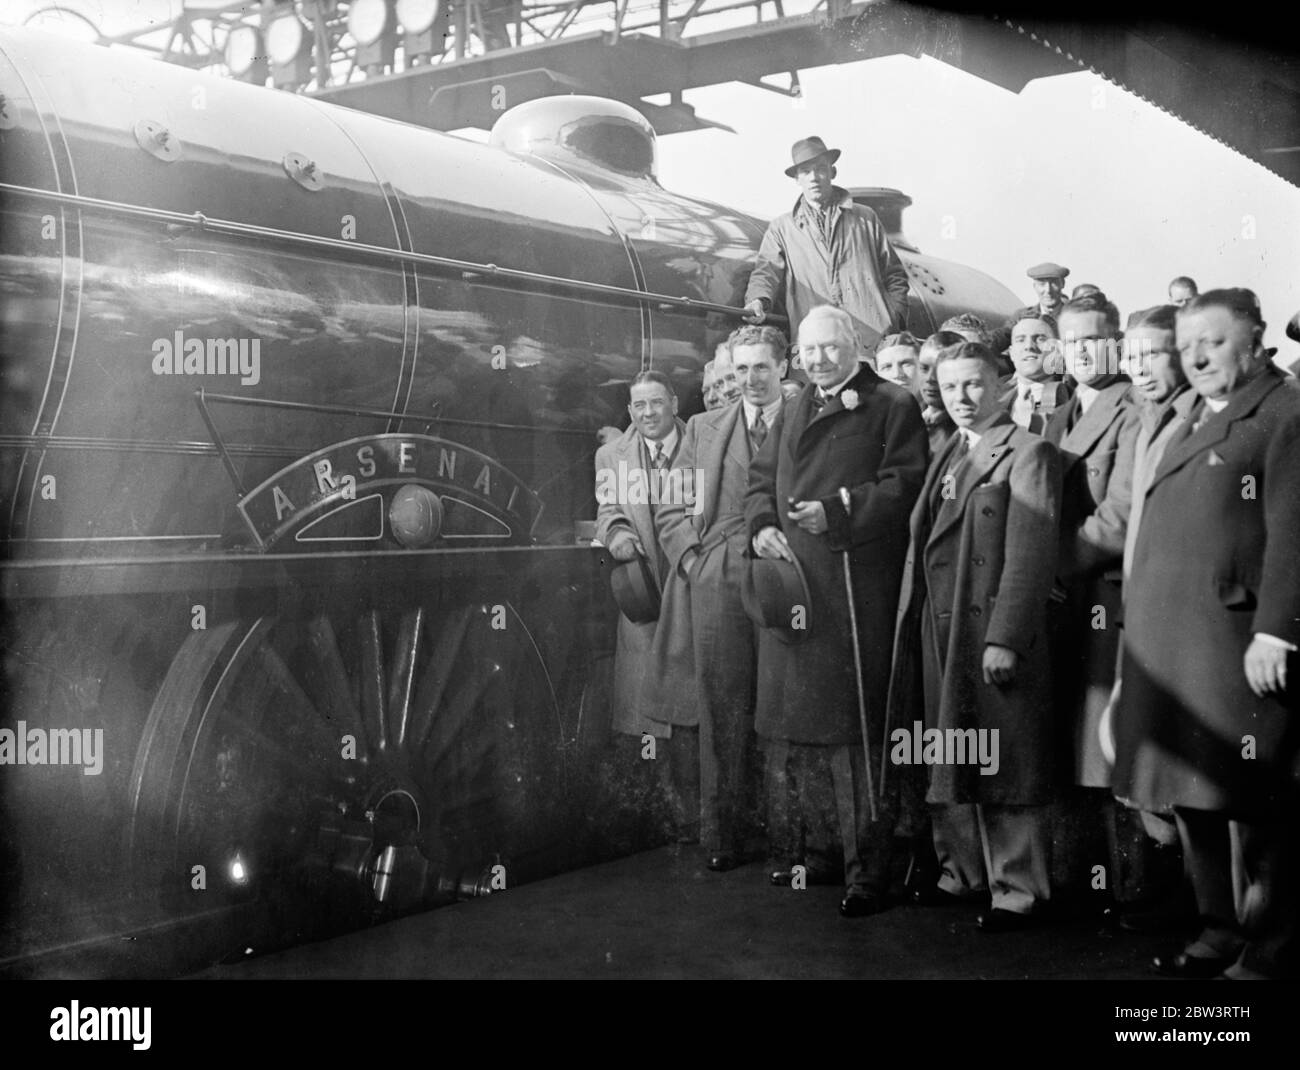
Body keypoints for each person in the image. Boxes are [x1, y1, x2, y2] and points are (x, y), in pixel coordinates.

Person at [1113, 289, 1300, 980]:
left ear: (1253, 342)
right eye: (1187, 345)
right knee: (1192, 794)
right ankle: (1219, 928)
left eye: (1213, 342)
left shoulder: (1284, 414)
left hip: (1237, 644)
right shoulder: (1190, 417)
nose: (1195, 357)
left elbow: (1294, 535)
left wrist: (1278, 632)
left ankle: (1271, 949)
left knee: (1256, 805)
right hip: (1174, 646)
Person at [745, 305, 928, 916]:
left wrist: (839, 512)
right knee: (805, 734)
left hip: (854, 592)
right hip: (796, 587)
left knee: (855, 738)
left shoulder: (891, 403)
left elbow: (905, 486)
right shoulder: (795, 404)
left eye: (830, 347)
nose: (819, 359)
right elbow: (759, 478)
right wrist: (761, 526)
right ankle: (822, 854)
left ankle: (867, 872)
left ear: (855, 344)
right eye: (809, 350)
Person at [890, 342, 1062, 931]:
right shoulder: (944, 451)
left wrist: (1006, 636)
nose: (961, 398)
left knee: (1004, 758)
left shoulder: (1029, 451)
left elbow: (1030, 555)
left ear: (1000, 385)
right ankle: (960, 874)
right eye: (950, 386)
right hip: (938, 627)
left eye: (974, 385)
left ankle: (1017, 891)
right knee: (950, 752)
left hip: (983, 627)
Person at [654, 325, 792, 872]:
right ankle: (724, 836)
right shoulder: (705, 428)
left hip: (785, 576)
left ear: (783, 366)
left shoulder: (805, 418)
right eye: (741, 370)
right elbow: (670, 508)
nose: (751, 380)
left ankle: (790, 841)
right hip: (716, 578)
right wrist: (694, 562)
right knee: (721, 706)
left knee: (783, 706)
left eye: (762, 367)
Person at [1043, 292, 1142, 910]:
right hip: (1062, 601)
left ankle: (1130, 888)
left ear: (1115, 342)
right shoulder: (1058, 412)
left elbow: (1122, 510)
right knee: (1067, 737)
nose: (1081, 351)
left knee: (1106, 744)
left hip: (1103, 596)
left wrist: (1054, 562)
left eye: (1094, 339)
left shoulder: (1131, 409)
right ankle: (1082, 881)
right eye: (1070, 340)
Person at [594, 371, 698, 839]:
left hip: (694, 594)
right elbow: (607, 510)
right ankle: (659, 818)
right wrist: (616, 535)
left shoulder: (701, 442)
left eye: (656, 403)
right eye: (639, 406)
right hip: (645, 596)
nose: (648, 413)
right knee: (644, 715)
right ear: (629, 411)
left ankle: (694, 815)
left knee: (692, 713)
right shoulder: (611, 456)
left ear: (674, 403)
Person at [744, 137, 910, 353]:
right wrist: (757, 300)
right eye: (805, 171)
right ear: (797, 178)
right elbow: (766, 272)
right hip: (817, 344)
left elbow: (894, 274)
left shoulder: (865, 218)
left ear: (832, 172)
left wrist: (893, 320)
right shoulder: (781, 229)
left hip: (872, 343)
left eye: (820, 168)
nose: (813, 177)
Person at [999, 313, 1073, 433]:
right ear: (1011, 353)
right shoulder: (993, 395)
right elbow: (991, 451)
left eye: (1040, 339)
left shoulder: (1073, 399)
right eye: (1020, 340)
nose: (1029, 346)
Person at [993, 262, 1070, 355]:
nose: (1048, 290)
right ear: (1035, 287)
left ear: (1062, 284)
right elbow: (1003, 335)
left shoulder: (1074, 316)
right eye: (1042, 284)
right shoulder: (1021, 317)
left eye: (1054, 283)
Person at [917, 331, 963, 456]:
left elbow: (994, 455)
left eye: (940, 369)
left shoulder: (970, 429)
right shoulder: (906, 416)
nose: (930, 378)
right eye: (924, 368)